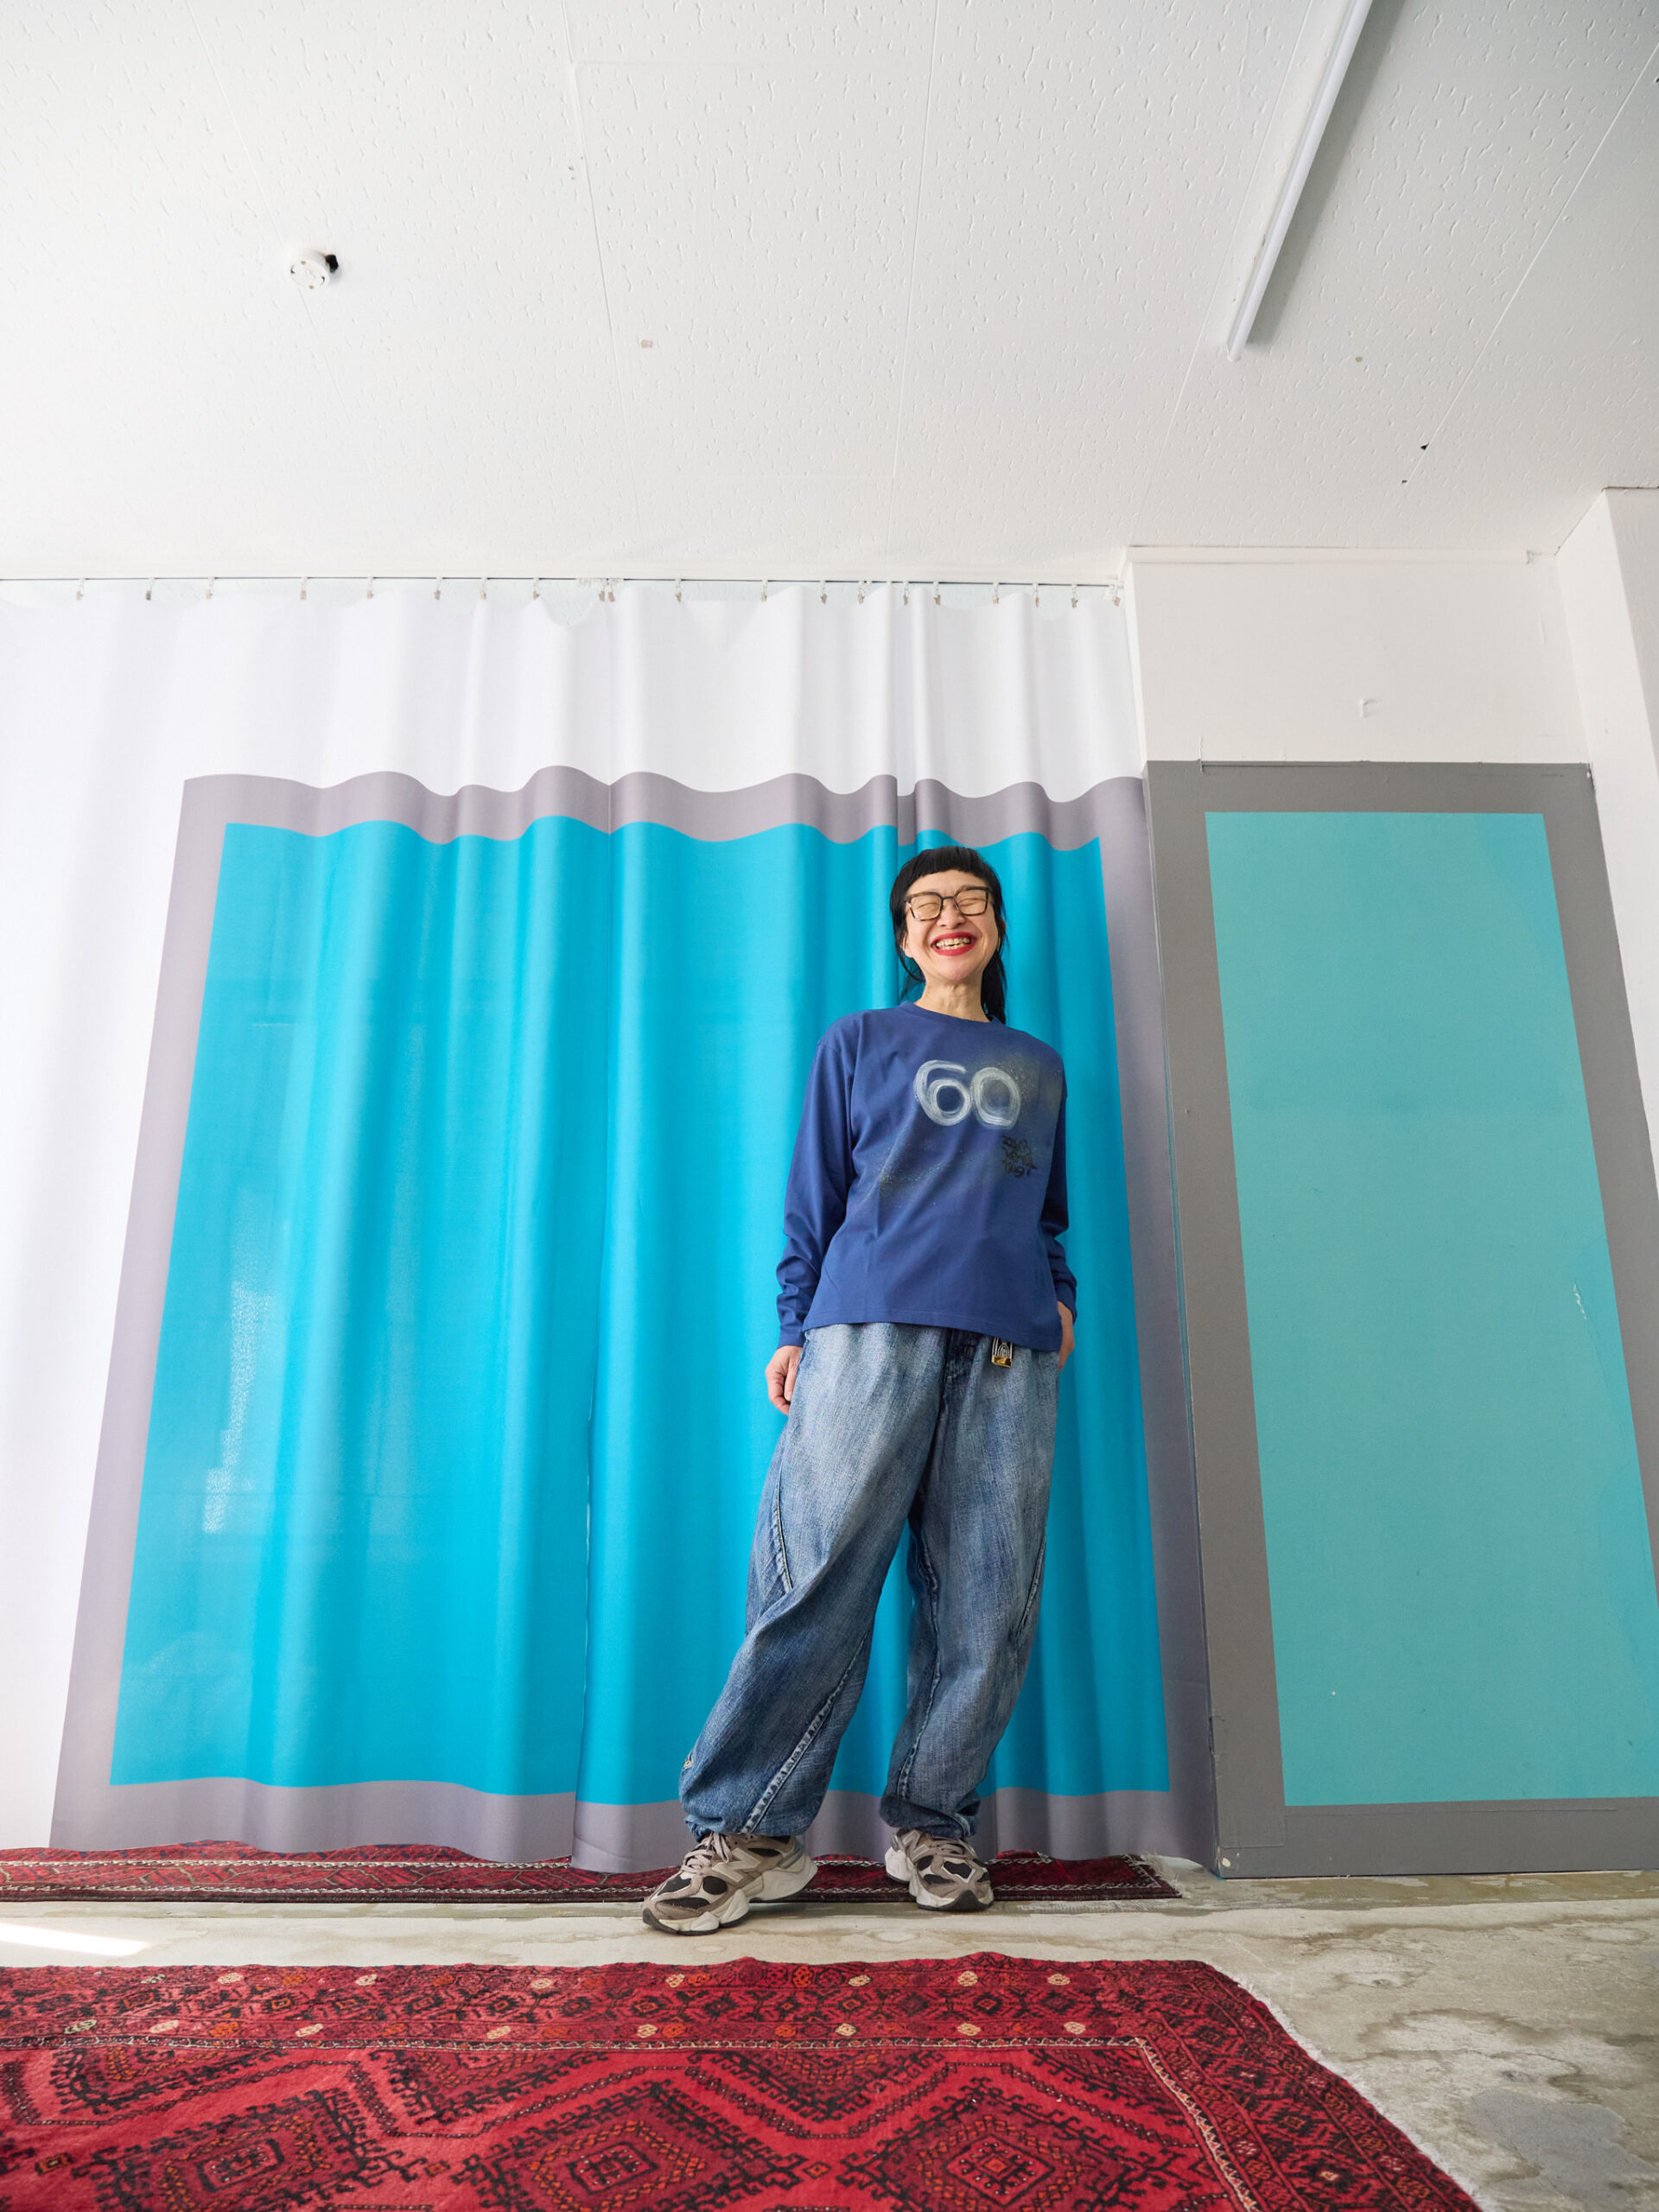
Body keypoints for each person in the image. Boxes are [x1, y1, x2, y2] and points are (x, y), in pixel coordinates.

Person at [642, 845, 1075, 1933]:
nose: (949, 916)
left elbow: (1046, 1211)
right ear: (903, 935)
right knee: (819, 1573)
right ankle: (748, 1831)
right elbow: (815, 1195)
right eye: (927, 904)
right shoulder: (861, 1040)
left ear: (997, 926)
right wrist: (796, 1324)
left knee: (988, 1596)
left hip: (1009, 1348)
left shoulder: (1037, 1064)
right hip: (869, 1326)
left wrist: (1060, 1296)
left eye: (970, 901)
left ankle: (933, 1820)